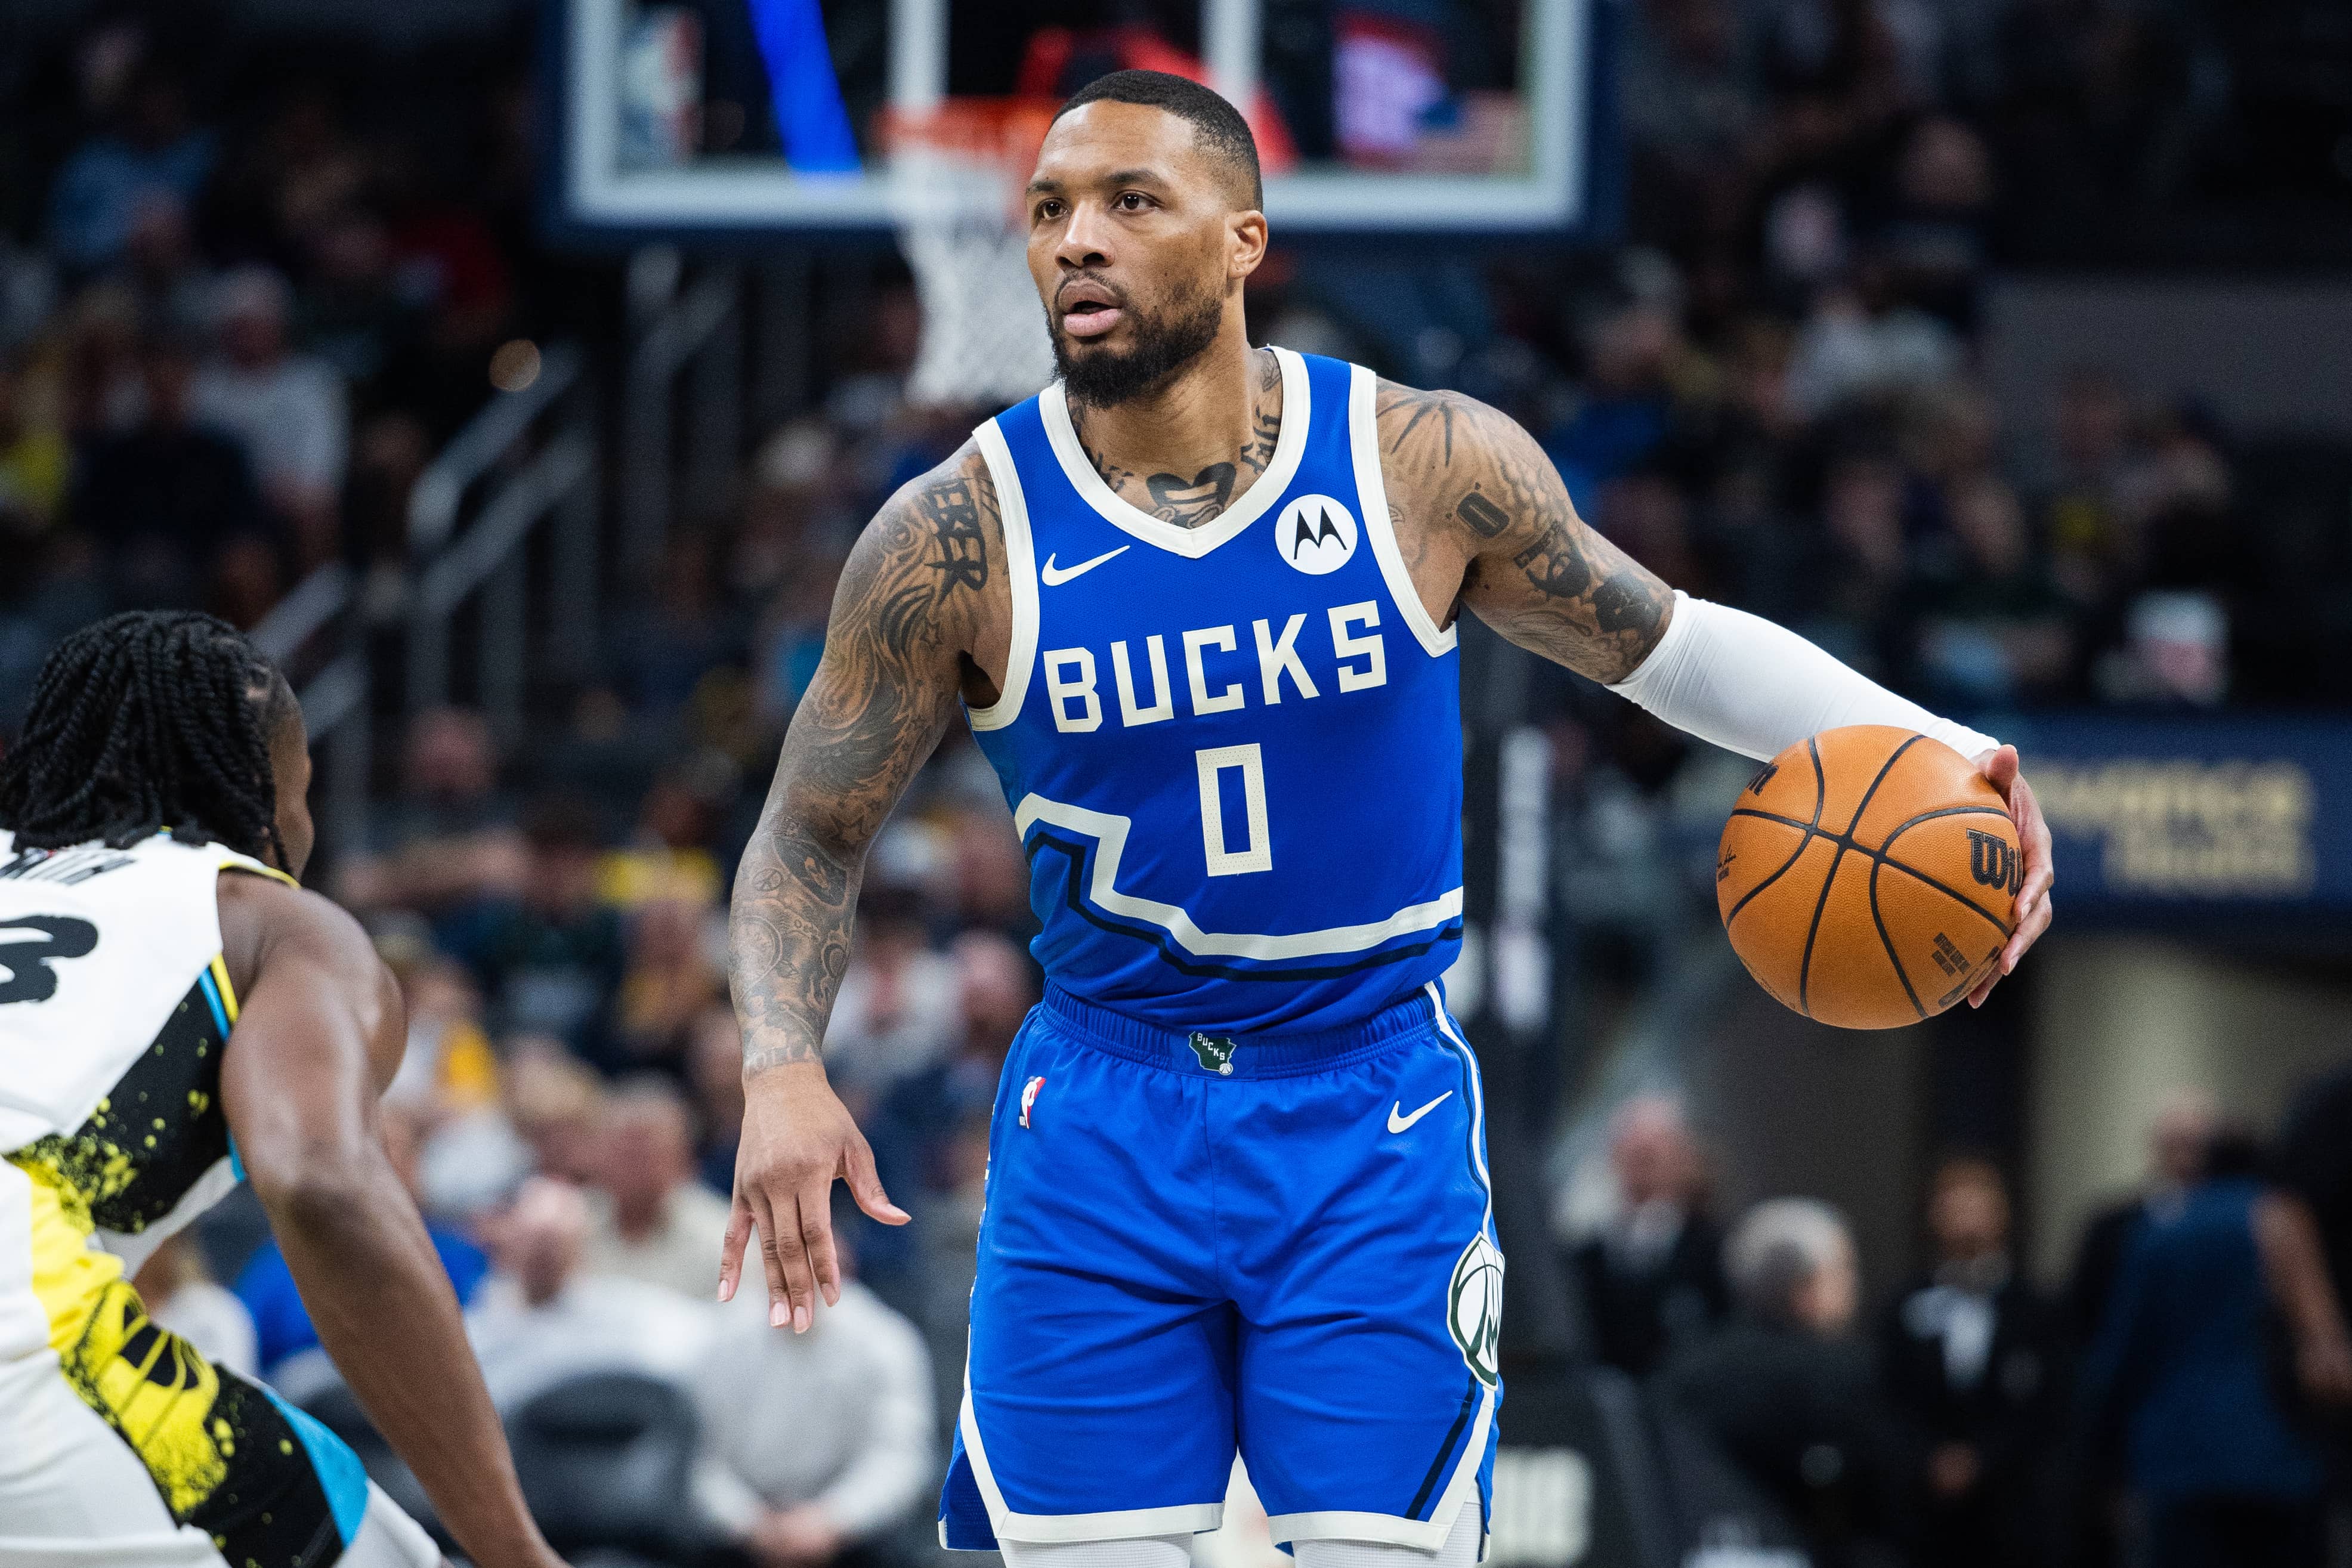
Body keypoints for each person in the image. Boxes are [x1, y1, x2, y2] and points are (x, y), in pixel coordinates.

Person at [719, 69, 2055, 1568]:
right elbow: (806, 831)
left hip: (1369, 1112)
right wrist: (779, 1067)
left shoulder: (1417, 463)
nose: (1073, 240)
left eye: (1128, 201)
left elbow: (1669, 646)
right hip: (1104, 1109)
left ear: (1243, 240)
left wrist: (1956, 750)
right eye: (1047, 210)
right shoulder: (953, 535)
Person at [0, 611, 565, 1567]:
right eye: (304, 800)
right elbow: (319, 1183)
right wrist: (514, 1549)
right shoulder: (269, 919)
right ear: (268, 797)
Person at [2079, 1131, 2333, 1568]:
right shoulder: (2282, 1223)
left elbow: (2122, 1352)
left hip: (2178, 1459)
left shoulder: (2162, 1233)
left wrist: (2099, 1454)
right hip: (2281, 1454)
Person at [1658, 1199, 1906, 1568]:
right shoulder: (1847, 1374)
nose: (1854, 1288)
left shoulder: (1679, 1369)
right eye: (1843, 1272)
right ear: (1805, 1290)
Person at [693, 1205, 936, 1568]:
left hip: (850, 1538)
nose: (797, 1269)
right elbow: (698, 1456)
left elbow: (900, 1457)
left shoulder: (887, 1339)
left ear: (840, 1261)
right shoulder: (719, 1337)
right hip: (744, 1537)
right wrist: (747, 1522)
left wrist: (833, 1521)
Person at [1878, 1156, 2064, 1568]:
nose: (1966, 1224)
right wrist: (1929, 1458)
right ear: (1934, 1217)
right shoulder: (1903, 1307)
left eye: (1977, 1209)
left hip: (2012, 1509)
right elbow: (1887, 1397)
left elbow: (2051, 1406)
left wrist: (1981, 1460)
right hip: (1924, 1512)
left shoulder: (2036, 1309)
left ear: (2002, 1216)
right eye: (1954, 1209)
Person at [1566, 1096, 1729, 1377]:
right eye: (1632, 1159)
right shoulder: (1589, 1257)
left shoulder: (1715, 1247)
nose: (1640, 1173)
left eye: (1650, 1158)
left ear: (1683, 1158)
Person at [582, 1076, 735, 1297]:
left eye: (642, 1151)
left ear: (685, 1159)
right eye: (618, 1148)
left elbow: (745, 1326)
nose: (629, 1164)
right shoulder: (571, 1227)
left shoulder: (725, 1240)